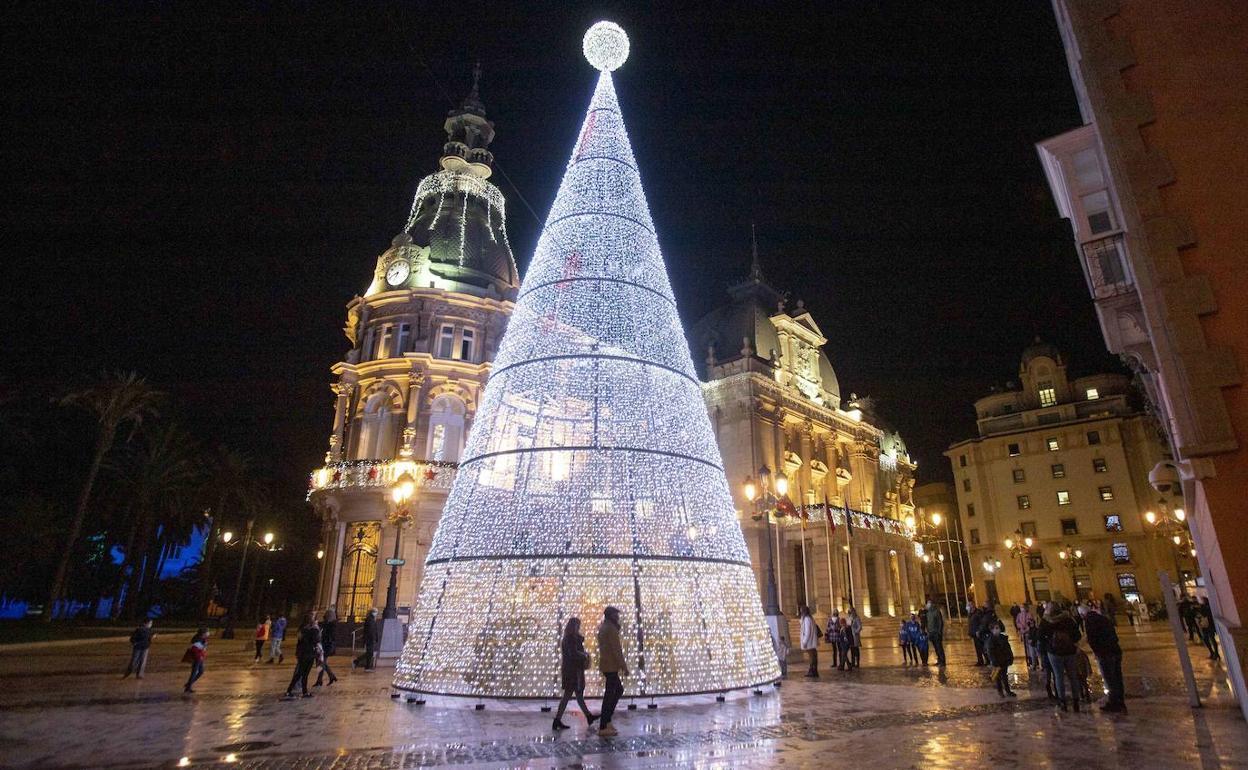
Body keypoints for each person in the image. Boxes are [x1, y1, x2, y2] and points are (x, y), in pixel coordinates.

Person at [553, 617, 597, 730]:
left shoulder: (571, 638)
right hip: (572, 671)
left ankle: (588, 716)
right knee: (569, 695)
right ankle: (557, 720)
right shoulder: (570, 639)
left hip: (572, 670)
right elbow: (573, 653)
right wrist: (584, 655)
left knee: (577, 695)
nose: (578, 628)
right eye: (577, 625)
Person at [1040, 602, 1082, 712]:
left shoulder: (1046, 621)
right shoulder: (1068, 619)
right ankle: (1076, 701)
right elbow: (1077, 635)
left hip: (1054, 653)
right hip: (1070, 651)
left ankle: (1062, 702)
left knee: (1058, 677)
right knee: (1073, 676)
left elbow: (1040, 637)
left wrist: (1048, 644)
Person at [1085, 603, 1126, 712]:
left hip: (1104, 653)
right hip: (1115, 650)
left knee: (1109, 678)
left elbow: (1092, 639)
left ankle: (1113, 702)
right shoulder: (1104, 619)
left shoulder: (1089, 622)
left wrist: (1096, 652)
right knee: (1117, 677)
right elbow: (1114, 636)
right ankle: (1120, 701)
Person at [596, 606, 628, 737]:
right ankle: (603, 725)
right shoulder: (611, 629)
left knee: (617, 690)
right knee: (610, 695)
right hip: (611, 666)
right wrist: (624, 667)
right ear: (611, 616)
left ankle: (607, 720)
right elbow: (616, 649)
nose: (618, 617)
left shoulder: (604, 627)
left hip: (607, 665)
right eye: (616, 614)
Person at [284, 613, 321, 699]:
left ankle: (300, 691)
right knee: (304, 673)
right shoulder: (313, 630)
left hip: (302, 652)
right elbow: (316, 640)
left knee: (300, 673)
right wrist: (317, 629)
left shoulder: (301, 629)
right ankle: (292, 690)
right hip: (309, 653)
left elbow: (300, 640)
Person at [987, 623, 1016, 697]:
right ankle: (1000, 691)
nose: (998, 630)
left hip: (1004, 660)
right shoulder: (991, 640)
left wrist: (1010, 657)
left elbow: (1008, 648)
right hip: (997, 661)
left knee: (1005, 676)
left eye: (998, 628)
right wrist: (994, 661)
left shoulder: (1003, 638)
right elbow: (990, 652)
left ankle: (1007, 690)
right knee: (998, 677)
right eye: (996, 628)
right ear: (992, 630)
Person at [314, 609, 339, 687]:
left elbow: (330, 636)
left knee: (321, 663)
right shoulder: (327, 624)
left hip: (326, 647)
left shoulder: (332, 625)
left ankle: (323, 679)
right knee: (321, 663)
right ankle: (328, 677)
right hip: (324, 646)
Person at [183, 628, 209, 693]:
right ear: (203, 633)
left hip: (200, 657)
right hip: (197, 658)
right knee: (194, 672)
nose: (208, 633)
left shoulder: (203, 639)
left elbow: (203, 648)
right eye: (207, 632)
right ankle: (188, 687)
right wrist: (200, 656)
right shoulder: (197, 640)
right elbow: (195, 650)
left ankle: (188, 684)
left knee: (200, 671)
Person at [798, 605, 820, 677]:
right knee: (813, 656)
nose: (800, 612)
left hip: (809, 642)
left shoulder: (807, 619)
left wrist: (804, 642)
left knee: (812, 657)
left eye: (801, 611)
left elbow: (807, 632)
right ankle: (814, 671)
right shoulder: (810, 618)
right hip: (811, 641)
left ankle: (812, 671)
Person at [926, 600, 946, 666]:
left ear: (931, 604)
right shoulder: (928, 613)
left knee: (939, 648)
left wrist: (939, 632)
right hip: (931, 633)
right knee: (936, 648)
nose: (927, 605)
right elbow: (928, 623)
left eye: (928, 603)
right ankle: (939, 660)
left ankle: (942, 661)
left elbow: (940, 622)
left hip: (936, 633)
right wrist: (928, 631)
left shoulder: (936, 611)